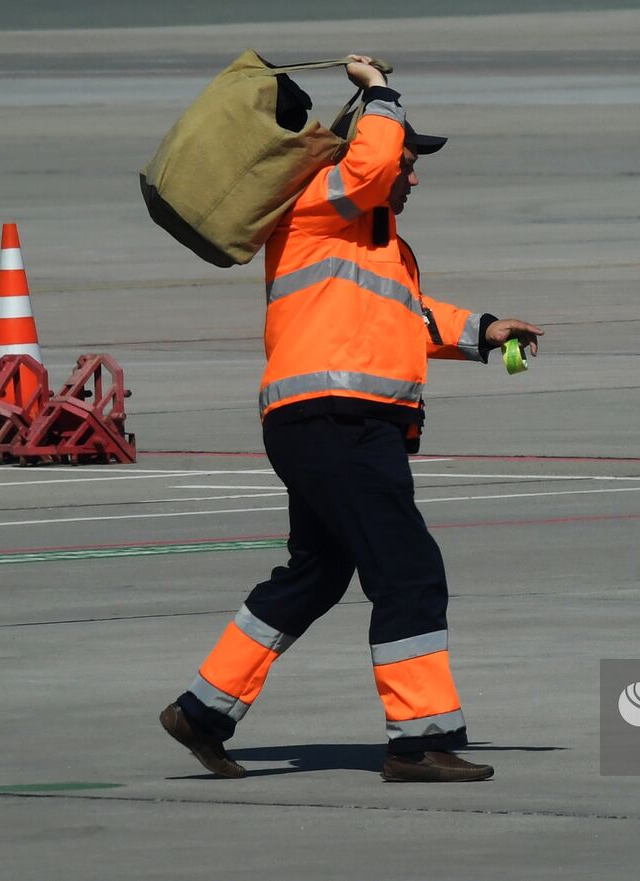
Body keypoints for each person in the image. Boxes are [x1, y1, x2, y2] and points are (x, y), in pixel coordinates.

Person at [159, 55, 543, 783]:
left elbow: (405, 319)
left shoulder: (374, 242)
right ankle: (418, 738)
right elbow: (366, 164)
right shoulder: (322, 199)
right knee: (408, 570)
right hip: (338, 422)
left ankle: (202, 710)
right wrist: (380, 93)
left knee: (318, 572)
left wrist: (484, 330)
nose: (413, 176)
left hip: (323, 424)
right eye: (408, 160)